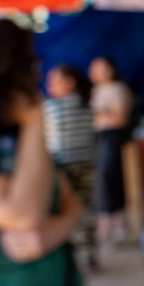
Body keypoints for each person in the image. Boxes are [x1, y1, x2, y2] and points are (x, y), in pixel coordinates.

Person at [0, 20, 88, 286]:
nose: (38, 72)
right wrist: (33, 119)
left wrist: (59, 227)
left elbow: (69, 198)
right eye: (28, 64)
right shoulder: (24, 124)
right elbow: (22, 212)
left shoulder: (13, 129)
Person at [45, 64, 99, 271]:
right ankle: (89, 254)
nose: (50, 85)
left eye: (55, 80)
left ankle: (71, 257)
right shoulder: (87, 104)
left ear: (70, 82)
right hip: (86, 163)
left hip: (62, 166)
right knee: (86, 208)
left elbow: (50, 139)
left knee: (65, 209)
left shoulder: (52, 107)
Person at [89, 57, 132, 243]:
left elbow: (120, 119)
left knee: (111, 180)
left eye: (102, 69)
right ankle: (106, 224)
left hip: (112, 138)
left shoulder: (118, 89)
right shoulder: (96, 91)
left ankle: (117, 223)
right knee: (100, 181)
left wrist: (101, 114)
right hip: (99, 138)